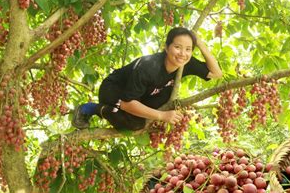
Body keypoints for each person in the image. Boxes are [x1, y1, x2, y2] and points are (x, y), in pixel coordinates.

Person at [72, 27, 222, 130]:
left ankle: (135, 114)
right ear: (166, 47)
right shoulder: (149, 66)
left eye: (188, 49)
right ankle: (91, 108)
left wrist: (201, 45)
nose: (183, 53)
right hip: (115, 90)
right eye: (177, 47)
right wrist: (162, 116)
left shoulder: (185, 63)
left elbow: (216, 74)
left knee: (152, 111)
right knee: (133, 124)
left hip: (144, 94)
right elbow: (127, 103)